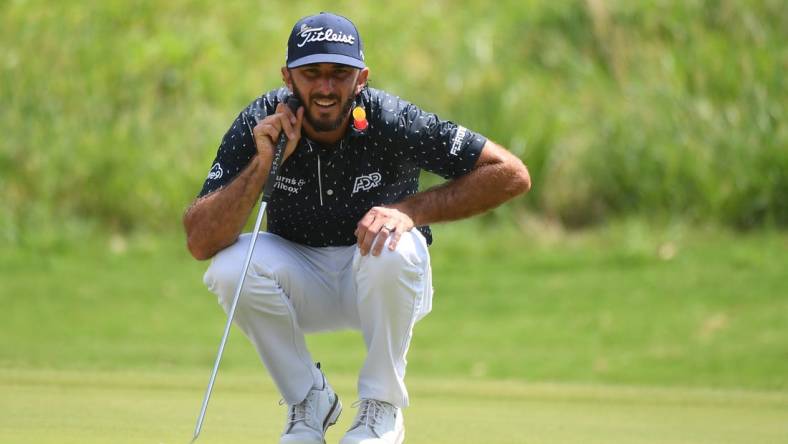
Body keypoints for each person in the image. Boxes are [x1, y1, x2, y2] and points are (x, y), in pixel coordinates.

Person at [183, 12, 530, 444]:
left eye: (340, 74)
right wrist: (263, 163)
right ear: (288, 78)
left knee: (394, 243)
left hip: (381, 279)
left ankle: (380, 410)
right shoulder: (261, 120)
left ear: (361, 77)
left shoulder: (391, 120)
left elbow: (510, 173)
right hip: (299, 280)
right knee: (228, 266)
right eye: (312, 73)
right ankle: (309, 401)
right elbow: (200, 240)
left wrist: (409, 211)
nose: (326, 88)